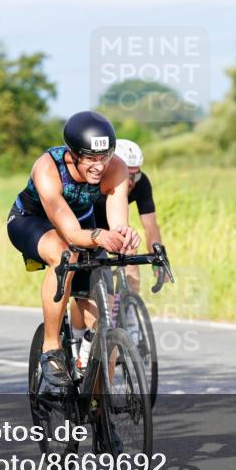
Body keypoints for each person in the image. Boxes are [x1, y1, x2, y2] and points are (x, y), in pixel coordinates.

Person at [6, 111, 140, 391]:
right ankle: (51, 348)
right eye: (90, 158)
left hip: (82, 223)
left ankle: (97, 402)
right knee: (65, 253)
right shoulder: (48, 168)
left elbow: (116, 222)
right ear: (73, 154)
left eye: (104, 157)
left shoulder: (116, 167)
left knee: (100, 312)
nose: (99, 166)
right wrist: (99, 236)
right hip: (32, 221)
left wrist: (123, 234)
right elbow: (70, 234)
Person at [70, 139, 164, 347]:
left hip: (115, 229)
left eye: (136, 174)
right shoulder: (96, 181)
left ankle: (129, 314)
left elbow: (150, 225)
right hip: (89, 231)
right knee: (84, 288)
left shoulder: (141, 182)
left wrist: (158, 256)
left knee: (131, 248)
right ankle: (76, 335)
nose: (131, 181)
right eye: (128, 174)